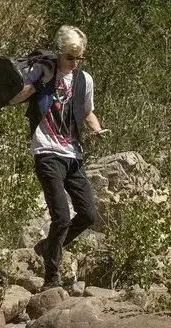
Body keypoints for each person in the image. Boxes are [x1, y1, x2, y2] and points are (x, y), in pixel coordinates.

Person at [8, 25, 108, 288]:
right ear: (60, 52)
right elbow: (19, 97)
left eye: (79, 58)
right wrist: (30, 85)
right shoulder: (44, 71)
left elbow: (87, 112)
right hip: (46, 151)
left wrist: (96, 129)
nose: (74, 63)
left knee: (87, 215)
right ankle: (51, 278)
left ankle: (47, 247)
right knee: (61, 217)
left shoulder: (84, 80)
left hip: (73, 154)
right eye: (70, 58)